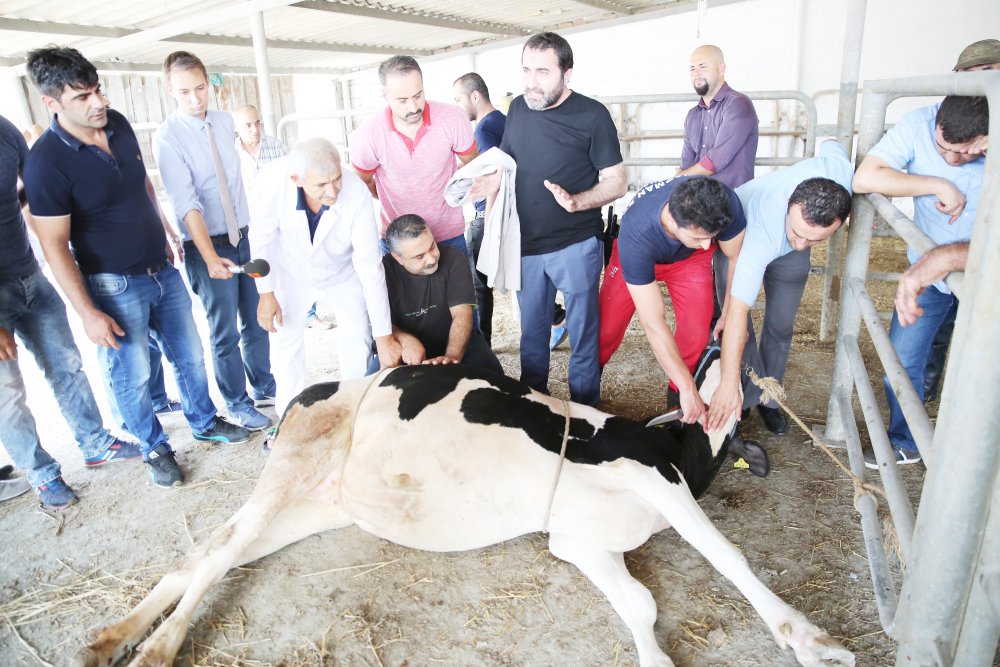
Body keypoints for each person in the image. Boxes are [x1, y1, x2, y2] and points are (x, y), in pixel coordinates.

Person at [23, 47, 251, 490]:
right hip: (113, 283)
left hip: (161, 269)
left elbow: (142, 181)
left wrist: (164, 229)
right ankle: (154, 447)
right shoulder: (46, 163)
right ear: (51, 103)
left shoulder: (118, 123)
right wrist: (88, 312)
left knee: (189, 355)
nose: (98, 102)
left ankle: (204, 421)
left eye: (97, 90)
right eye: (82, 97)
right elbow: (53, 244)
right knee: (133, 372)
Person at [475, 32, 626, 406]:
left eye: (543, 72)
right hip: (526, 244)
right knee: (532, 334)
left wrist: (577, 201)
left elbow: (617, 181)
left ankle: (584, 409)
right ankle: (535, 404)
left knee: (583, 333)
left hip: (576, 243)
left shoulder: (593, 115)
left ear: (567, 74)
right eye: (526, 70)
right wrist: (489, 191)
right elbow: (507, 165)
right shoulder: (518, 109)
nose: (531, 81)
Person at [1, 112, 139, 509]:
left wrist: (51, 248)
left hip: (29, 273)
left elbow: (35, 191)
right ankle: (42, 473)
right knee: (7, 392)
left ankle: (95, 442)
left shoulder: (5, 131)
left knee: (66, 364)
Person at [853, 95, 987, 467]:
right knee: (903, 355)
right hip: (931, 273)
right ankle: (905, 438)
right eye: (942, 149)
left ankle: (979, 465)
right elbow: (865, 177)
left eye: (964, 152)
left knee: (982, 370)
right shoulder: (920, 123)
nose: (951, 159)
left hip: (987, 280)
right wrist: (936, 184)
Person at [153, 51, 275, 429]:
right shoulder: (168, 137)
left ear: (209, 83)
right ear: (170, 90)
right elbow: (186, 203)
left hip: (244, 237)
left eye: (200, 88)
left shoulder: (224, 122)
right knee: (224, 330)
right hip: (207, 246)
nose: (195, 99)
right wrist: (208, 257)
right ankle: (237, 402)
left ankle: (264, 386)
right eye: (184, 92)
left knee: (257, 318)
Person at [704, 140, 854, 435]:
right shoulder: (763, 234)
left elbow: (831, 144)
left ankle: (768, 397)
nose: (803, 243)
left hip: (786, 254)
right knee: (738, 324)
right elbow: (737, 314)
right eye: (798, 233)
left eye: (815, 239)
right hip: (741, 240)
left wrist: (801, 239)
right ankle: (741, 394)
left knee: (781, 326)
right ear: (789, 204)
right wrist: (727, 383)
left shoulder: (840, 174)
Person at [250, 138, 399, 417]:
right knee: (285, 343)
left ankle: (354, 412)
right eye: (321, 185)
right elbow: (260, 242)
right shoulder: (270, 181)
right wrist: (265, 293)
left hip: (341, 271)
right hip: (289, 270)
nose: (333, 191)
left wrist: (384, 336)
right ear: (296, 179)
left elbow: (370, 267)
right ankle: (288, 417)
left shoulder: (356, 192)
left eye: (336, 179)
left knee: (357, 337)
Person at [598, 177, 746, 423]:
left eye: (712, 236)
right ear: (673, 221)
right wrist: (691, 389)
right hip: (639, 256)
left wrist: (728, 311)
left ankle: (677, 406)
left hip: (688, 261)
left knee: (695, 333)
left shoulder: (724, 201)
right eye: (698, 236)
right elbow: (653, 323)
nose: (707, 245)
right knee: (606, 330)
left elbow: (735, 257)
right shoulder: (636, 235)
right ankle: (587, 395)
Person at [920, 39, 998, 402]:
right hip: (946, 260)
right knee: (942, 326)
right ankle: (931, 387)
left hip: (986, 266)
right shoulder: (941, 121)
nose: (982, 84)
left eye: (990, 73)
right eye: (970, 75)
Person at [351, 55, 478, 255]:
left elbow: (474, 165)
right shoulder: (369, 133)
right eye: (402, 100)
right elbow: (361, 184)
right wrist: (394, 198)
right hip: (398, 241)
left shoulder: (453, 118)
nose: (413, 107)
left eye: (418, 95)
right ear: (385, 95)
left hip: (449, 236)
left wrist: (451, 190)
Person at [232, 103, 333, 331]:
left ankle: (309, 314)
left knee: (299, 264)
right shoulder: (232, 154)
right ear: (237, 128)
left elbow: (291, 179)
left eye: (257, 123)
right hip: (250, 221)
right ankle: (269, 311)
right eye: (248, 125)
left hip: (282, 217)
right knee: (263, 269)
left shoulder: (274, 145)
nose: (254, 129)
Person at [371, 214, 504, 376]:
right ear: (398, 258)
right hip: (406, 348)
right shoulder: (381, 274)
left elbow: (462, 315)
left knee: (496, 377)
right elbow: (379, 322)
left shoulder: (454, 258)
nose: (431, 259)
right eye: (419, 256)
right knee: (370, 385)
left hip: (456, 341)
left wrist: (451, 357)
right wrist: (405, 339)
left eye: (432, 247)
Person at [453, 72, 506, 346]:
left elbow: (494, 173)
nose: (458, 106)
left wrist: (487, 218)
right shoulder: (502, 121)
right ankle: (556, 316)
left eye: (458, 99)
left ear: (475, 96)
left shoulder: (483, 131)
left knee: (478, 283)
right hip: (508, 211)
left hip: (488, 213)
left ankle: (483, 343)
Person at [677, 45, 759, 188]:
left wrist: (680, 177)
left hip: (732, 195)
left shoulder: (738, 104)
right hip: (698, 195)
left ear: (721, 69)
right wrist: (680, 178)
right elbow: (685, 165)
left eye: (702, 66)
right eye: (692, 68)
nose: (696, 73)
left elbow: (715, 161)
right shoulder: (692, 116)